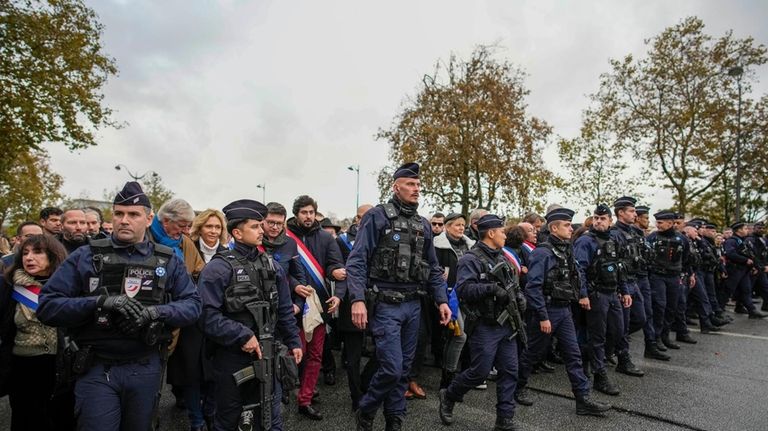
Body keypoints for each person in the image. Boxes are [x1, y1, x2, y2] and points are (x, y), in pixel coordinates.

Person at [36, 181, 202, 431]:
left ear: (148, 219)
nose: (124, 220)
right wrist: (100, 302)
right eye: (119, 214)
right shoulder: (86, 257)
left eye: (133, 214)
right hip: (97, 367)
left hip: (145, 365)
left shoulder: (166, 260)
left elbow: (193, 305)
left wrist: (156, 312)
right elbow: (48, 306)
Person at [346, 162, 451, 431]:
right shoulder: (377, 217)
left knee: (403, 370)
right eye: (410, 184)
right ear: (396, 186)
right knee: (392, 368)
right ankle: (366, 410)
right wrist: (357, 299)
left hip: (414, 304)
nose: (416, 189)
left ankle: (395, 419)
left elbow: (433, 268)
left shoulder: (423, 225)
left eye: (418, 185)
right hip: (385, 304)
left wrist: (441, 300)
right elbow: (357, 261)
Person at [199, 199, 303, 431]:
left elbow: (284, 308)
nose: (262, 230)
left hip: (268, 353)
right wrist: (241, 334)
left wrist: (294, 341)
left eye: (260, 225)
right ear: (237, 232)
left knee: (270, 418)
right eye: (255, 226)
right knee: (230, 419)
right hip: (232, 357)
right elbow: (206, 315)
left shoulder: (271, 265)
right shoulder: (218, 269)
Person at [514, 207, 611, 416]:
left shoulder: (567, 249)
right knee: (532, 353)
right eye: (566, 225)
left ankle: (582, 399)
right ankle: (518, 386)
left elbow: (576, 275)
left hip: (564, 309)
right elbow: (533, 287)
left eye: (570, 224)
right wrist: (542, 316)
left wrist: (582, 294)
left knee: (573, 355)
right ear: (554, 228)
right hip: (547, 310)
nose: (570, 228)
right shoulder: (542, 253)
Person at [437, 214, 525, 431]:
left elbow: (514, 285)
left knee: (510, 371)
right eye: (502, 231)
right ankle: (449, 396)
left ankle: (505, 418)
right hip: (485, 324)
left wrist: (519, 298)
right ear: (491, 233)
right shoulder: (471, 259)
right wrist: (492, 289)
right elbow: (464, 289)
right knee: (480, 371)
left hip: (507, 324)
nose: (505, 235)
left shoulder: (503, 258)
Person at [0, 234, 75, 431]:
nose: (29, 257)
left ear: (53, 255)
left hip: (61, 368)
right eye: (24, 253)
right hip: (23, 369)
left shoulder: (71, 286)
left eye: (37, 252)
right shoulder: (8, 285)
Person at [286, 195, 345, 420]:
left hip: (318, 305)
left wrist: (338, 290)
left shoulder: (326, 238)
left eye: (311, 212)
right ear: (296, 214)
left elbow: (335, 265)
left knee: (315, 355)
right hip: (292, 305)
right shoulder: (285, 237)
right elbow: (279, 269)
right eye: (303, 212)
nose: (308, 216)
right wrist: (295, 285)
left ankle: (306, 398)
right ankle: (287, 390)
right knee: (294, 352)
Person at [574, 204, 635, 395]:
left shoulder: (614, 238)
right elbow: (579, 271)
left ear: (610, 221)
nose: (598, 222)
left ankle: (589, 362)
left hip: (612, 293)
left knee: (617, 331)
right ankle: (599, 376)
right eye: (596, 218)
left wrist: (624, 291)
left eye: (603, 218)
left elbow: (618, 268)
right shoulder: (586, 241)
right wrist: (583, 294)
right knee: (597, 337)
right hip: (596, 294)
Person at [609, 197, 653, 370]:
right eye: (631, 211)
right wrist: (621, 287)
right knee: (623, 324)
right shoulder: (615, 234)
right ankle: (623, 359)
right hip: (623, 283)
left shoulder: (635, 233)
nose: (635, 214)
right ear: (621, 213)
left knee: (641, 318)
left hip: (635, 280)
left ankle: (610, 347)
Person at [433, 212, 474, 388]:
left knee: (462, 335)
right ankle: (447, 378)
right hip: (447, 296)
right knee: (459, 335)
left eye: (463, 225)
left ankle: (461, 373)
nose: (461, 228)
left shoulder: (470, 245)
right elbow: (433, 271)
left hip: (467, 295)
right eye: (457, 225)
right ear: (447, 226)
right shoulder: (437, 245)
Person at [646, 210, 694, 352]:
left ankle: (665, 336)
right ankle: (656, 338)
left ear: (670, 223)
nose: (657, 225)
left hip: (674, 277)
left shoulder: (682, 239)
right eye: (657, 222)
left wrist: (688, 274)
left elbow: (686, 259)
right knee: (659, 306)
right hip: (657, 276)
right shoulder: (652, 238)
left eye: (660, 223)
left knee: (671, 307)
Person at [724, 221, 767, 319]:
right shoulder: (732, 241)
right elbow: (730, 254)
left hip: (743, 270)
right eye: (745, 228)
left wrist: (755, 266)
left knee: (746, 290)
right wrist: (745, 260)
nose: (747, 230)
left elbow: (751, 255)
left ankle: (752, 311)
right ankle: (718, 312)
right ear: (739, 230)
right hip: (734, 270)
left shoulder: (742, 241)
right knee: (727, 291)